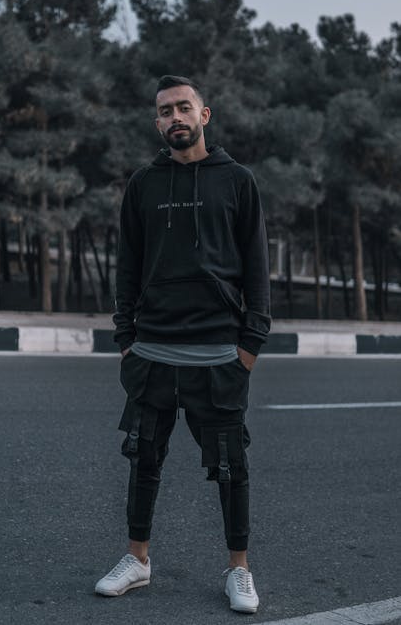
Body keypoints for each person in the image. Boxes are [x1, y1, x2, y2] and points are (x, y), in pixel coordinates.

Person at [95, 75, 271, 613]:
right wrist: (125, 339)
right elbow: (127, 266)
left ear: (205, 114)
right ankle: (138, 560)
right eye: (165, 111)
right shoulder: (143, 184)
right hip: (152, 350)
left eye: (183, 107)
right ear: (157, 123)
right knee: (143, 459)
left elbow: (257, 269)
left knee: (230, 465)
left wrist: (250, 345)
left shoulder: (237, 180)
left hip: (218, 352)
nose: (175, 117)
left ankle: (238, 570)